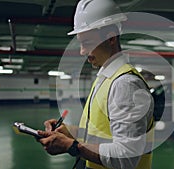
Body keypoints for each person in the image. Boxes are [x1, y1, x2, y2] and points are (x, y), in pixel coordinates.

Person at [37, 0, 154, 169]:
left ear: (111, 38)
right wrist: (69, 133)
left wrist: (71, 146)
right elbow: (103, 133)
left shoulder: (125, 85)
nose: (82, 51)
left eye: (87, 43)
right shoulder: (105, 77)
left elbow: (126, 157)